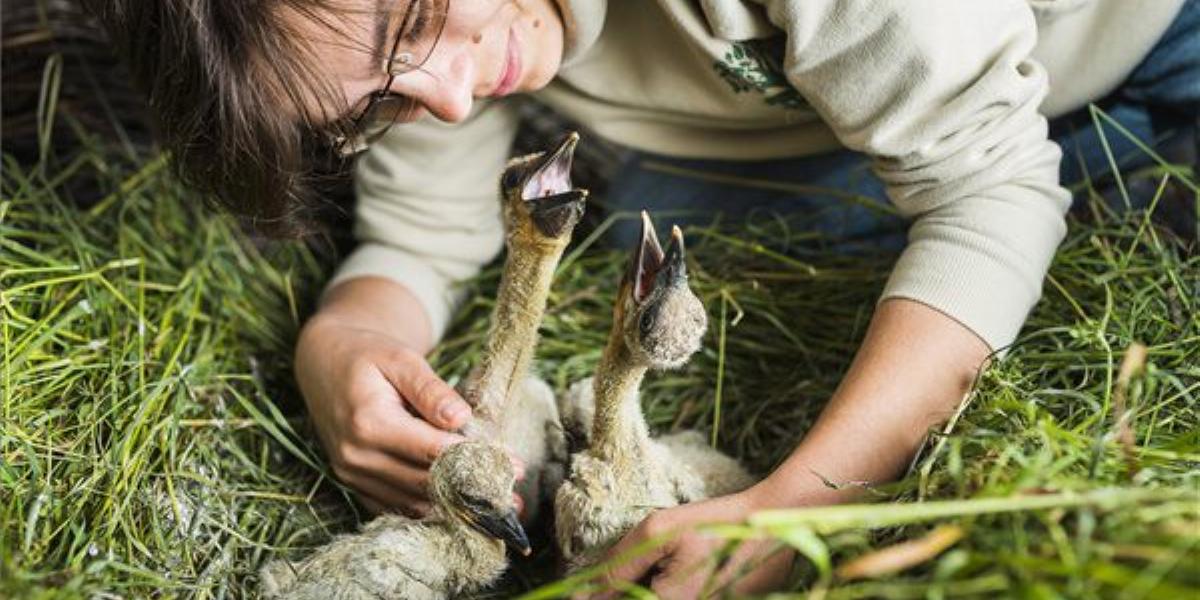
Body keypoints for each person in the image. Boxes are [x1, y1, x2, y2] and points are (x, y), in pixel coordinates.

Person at [89, 0, 1196, 596]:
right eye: (380, 100)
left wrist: (802, 504)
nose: (453, 91)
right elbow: (417, 233)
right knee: (651, 195)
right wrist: (346, 336)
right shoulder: (456, 57)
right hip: (817, 114)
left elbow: (987, 188)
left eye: (415, 21)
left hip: (1136, 31)